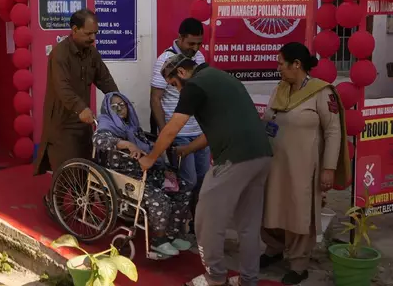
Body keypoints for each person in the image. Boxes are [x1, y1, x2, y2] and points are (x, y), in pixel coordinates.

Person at [138, 54, 273, 286]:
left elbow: (171, 129)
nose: (176, 91)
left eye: (173, 85)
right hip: (261, 156)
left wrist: (150, 158)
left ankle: (215, 277)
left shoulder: (195, 86)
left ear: (181, 73)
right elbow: (218, 127)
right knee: (248, 225)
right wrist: (188, 149)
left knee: (205, 220)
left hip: (234, 159)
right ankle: (248, 280)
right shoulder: (222, 78)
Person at [260, 43, 351, 285]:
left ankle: (299, 264)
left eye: (281, 63)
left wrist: (329, 168)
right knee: (271, 207)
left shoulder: (322, 92)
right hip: (275, 164)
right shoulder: (280, 89)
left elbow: (333, 131)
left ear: (296, 65)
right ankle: (274, 249)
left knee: (299, 214)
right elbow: (269, 121)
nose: (278, 67)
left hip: (304, 168)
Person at [34, 9, 118, 206]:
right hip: (62, 120)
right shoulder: (59, 54)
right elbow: (62, 88)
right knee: (65, 164)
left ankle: (80, 201)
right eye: (89, 34)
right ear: (74, 30)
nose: (93, 38)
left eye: (95, 33)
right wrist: (80, 108)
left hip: (83, 119)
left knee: (84, 163)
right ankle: (54, 203)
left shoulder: (92, 53)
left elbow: (104, 78)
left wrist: (116, 98)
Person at [94, 92, 191, 256]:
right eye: (114, 106)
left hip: (147, 170)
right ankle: (158, 241)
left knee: (183, 188)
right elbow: (98, 140)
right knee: (160, 199)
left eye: (122, 105)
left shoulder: (132, 126)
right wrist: (125, 144)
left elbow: (146, 145)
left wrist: (162, 165)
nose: (119, 109)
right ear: (107, 110)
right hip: (125, 176)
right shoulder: (107, 126)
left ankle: (172, 234)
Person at [150, 18, 209, 223]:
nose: (195, 48)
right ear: (180, 38)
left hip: (200, 132)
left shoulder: (199, 57)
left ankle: (195, 222)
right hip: (179, 134)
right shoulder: (165, 60)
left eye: (199, 43)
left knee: (203, 179)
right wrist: (166, 133)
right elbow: (155, 99)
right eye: (190, 43)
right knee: (187, 181)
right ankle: (177, 224)